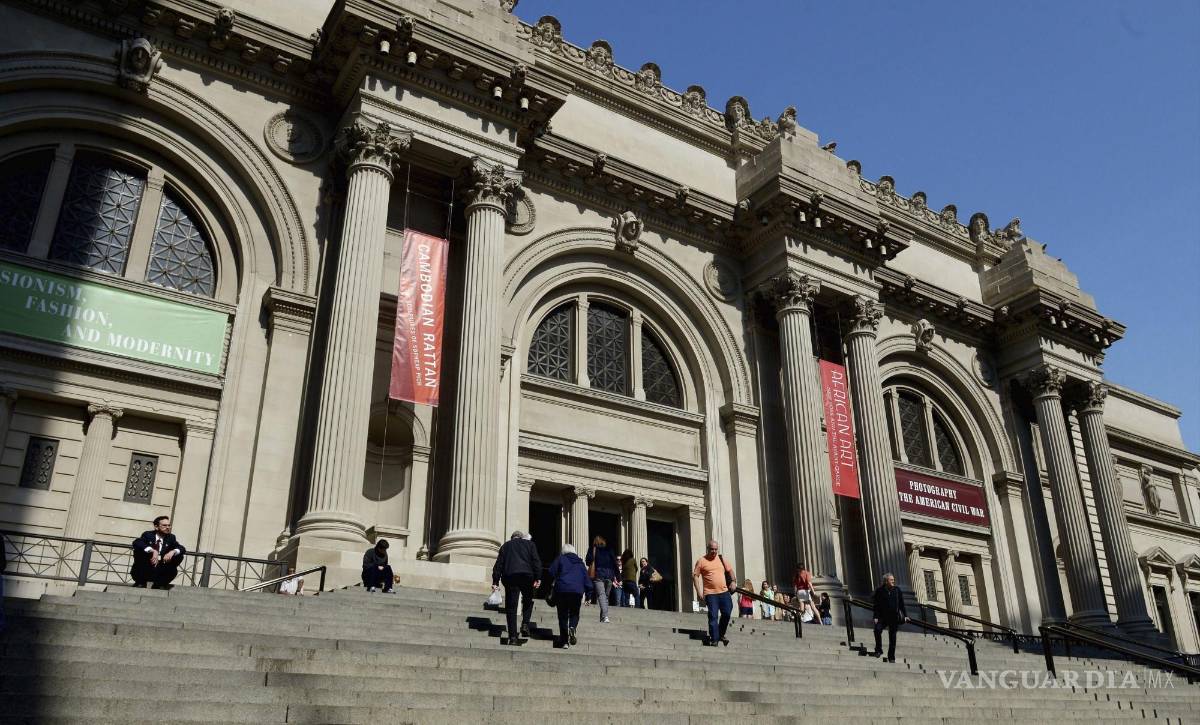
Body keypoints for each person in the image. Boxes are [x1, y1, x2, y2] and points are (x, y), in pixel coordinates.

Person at [491, 530, 542, 645]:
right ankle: (525, 624)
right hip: (526, 576)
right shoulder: (530, 544)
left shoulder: (506, 546)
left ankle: (513, 637)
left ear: (512, 537)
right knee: (528, 600)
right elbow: (536, 562)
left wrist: (495, 581)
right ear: (521, 537)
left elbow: (498, 565)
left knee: (511, 608)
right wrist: (538, 577)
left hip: (510, 577)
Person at [692, 539, 735, 647]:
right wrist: (698, 591)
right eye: (712, 549)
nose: (714, 551)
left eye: (716, 549)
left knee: (727, 613)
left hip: (724, 592)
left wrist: (733, 581)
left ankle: (720, 633)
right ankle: (714, 638)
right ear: (708, 549)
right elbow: (695, 576)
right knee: (713, 616)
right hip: (710, 594)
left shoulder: (721, 558)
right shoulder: (701, 561)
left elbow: (730, 570)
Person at [547, 543, 589, 649]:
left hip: (562, 590)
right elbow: (587, 580)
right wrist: (588, 595)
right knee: (574, 613)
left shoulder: (561, 559)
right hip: (577, 592)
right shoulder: (580, 563)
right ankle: (572, 627)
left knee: (563, 616)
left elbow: (551, 571)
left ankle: (564, 641)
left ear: (563, 551)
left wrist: (555, 579)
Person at [130, 516, 186, 589]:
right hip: (146, 566)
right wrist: (153, 550)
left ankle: (159, 584)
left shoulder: (171, 538)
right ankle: (140, 582)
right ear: (156, 527)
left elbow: (181, 548)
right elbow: (137, 542)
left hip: (161, 568)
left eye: (169, 525)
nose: (168, 527)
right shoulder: (148, 535)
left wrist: (172, 551)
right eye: (164, 525)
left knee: (179, 555)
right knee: (139, 551)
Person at [871, 572, 909, 662]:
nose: (893, 581)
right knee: (877, 630)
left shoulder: (897, 590)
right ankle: (878, 650)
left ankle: (891, 656)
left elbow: (901, 604)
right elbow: (876, 605)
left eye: (893, 580)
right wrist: (875, 616)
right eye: (891, 580)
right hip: (882, 617)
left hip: (894, 617)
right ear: (886, 581)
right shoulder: (879, 591)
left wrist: (906, 615)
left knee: (892, 637)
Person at [585, 536, 617, 623]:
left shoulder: (593, 548)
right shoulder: (609, 549)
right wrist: (618, 576)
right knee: (605, 597)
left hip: (599, 574)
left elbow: (588, 561)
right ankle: (602, 618)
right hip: (610, 575)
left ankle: (605, 616)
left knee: (601, 596)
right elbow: (615, 562)